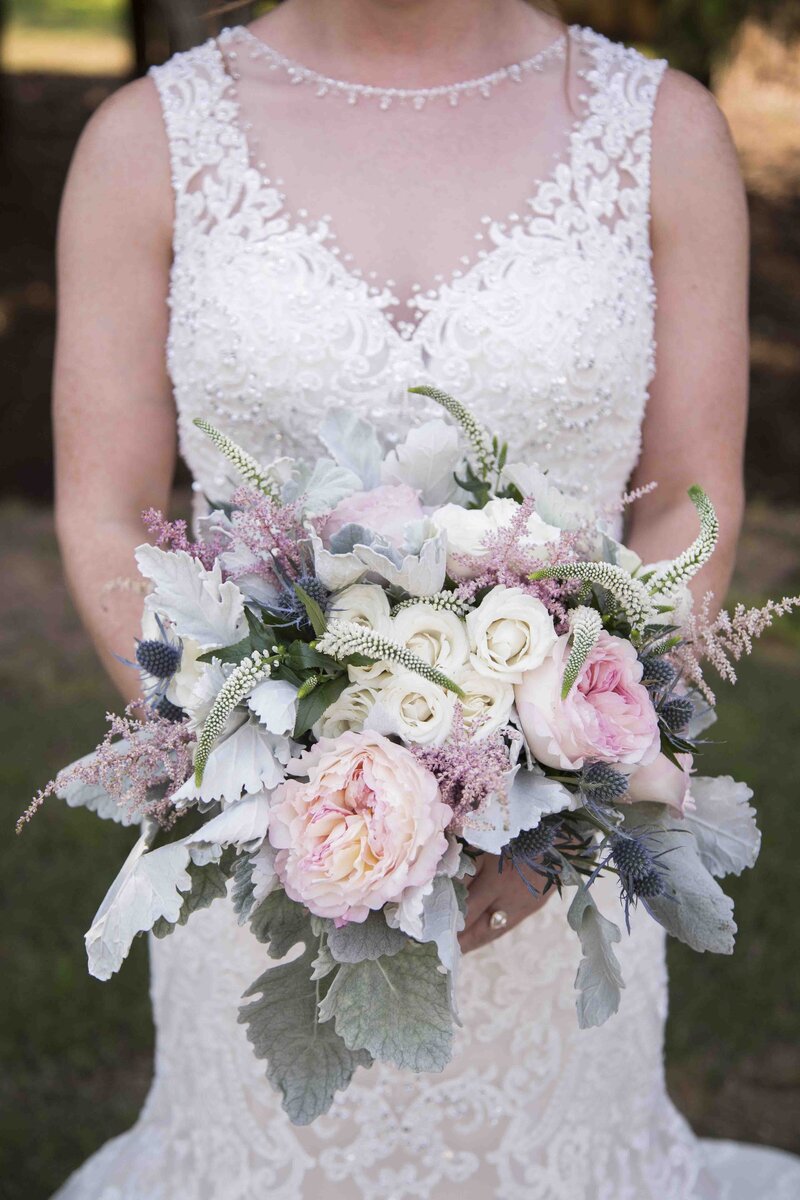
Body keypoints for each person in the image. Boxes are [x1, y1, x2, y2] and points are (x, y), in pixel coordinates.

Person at [50, 1, 800, 1196]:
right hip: (264, 850)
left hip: (554, 881)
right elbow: (106, 508)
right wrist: (252, 766)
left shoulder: (662, 132)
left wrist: (569, 792)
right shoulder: (147, 141)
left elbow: (686, 504)